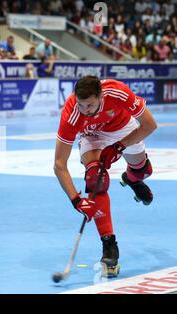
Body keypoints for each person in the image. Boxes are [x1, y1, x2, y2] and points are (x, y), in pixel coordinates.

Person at [54, 76, 157, 278]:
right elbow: (59, 164)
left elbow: (149, 125)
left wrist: (119, 146)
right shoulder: (72, 113)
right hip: (92, 136)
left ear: (100, 97)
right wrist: (76, 199)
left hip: (123, 128)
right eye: (81, 105)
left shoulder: (117, 92)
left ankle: (132, 179)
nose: (85, 110)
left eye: (90, 105)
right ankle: (109, 246)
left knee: (143, 170)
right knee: (95, 179)